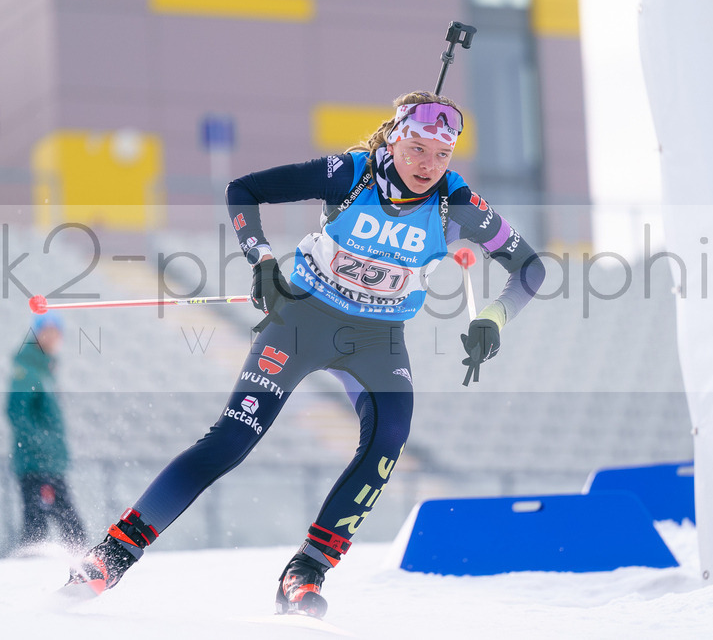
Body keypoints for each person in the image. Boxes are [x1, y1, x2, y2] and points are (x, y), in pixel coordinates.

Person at [66, 91, 545, 616]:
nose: (428, 165)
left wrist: (492, 319)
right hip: (303, 320)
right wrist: (262, 260)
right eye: (417, 149)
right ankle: (114, 552)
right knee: (231, 439)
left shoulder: (459, 202)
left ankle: (306, 572)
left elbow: (529, 268)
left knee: (387, 441)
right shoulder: (349, 173)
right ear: (394, 138)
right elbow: (243, 189)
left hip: (377, 339)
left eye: (442, 154)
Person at [6, 312, 86, 553]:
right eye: (46, 331)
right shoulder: (28, 371)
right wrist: (41, 444)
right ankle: (34, 566)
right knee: (46, 525)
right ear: (36, 334)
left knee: (53, 523)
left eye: (56, 331)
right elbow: (16, 413)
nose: (52, 337)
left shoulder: (44, 370)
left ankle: (72, 561)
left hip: (48, 462)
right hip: (37, 464)